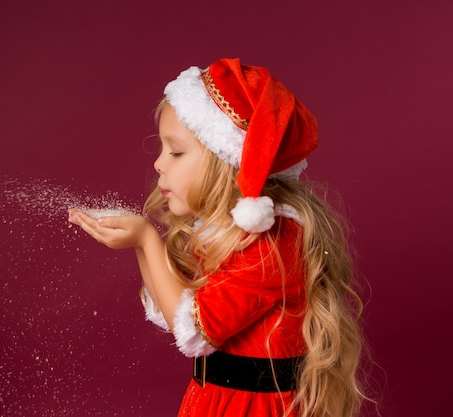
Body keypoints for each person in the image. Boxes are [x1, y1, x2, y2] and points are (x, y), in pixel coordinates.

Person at [68, 58, 366, 417]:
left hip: (253, 408)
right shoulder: (227, 233)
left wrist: (147, 240)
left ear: (226, 159)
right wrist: (141, 244)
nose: (159, 164)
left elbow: (193, 329)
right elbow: (175, 307)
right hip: (214, 400)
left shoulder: (271, 239)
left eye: (175, 152)